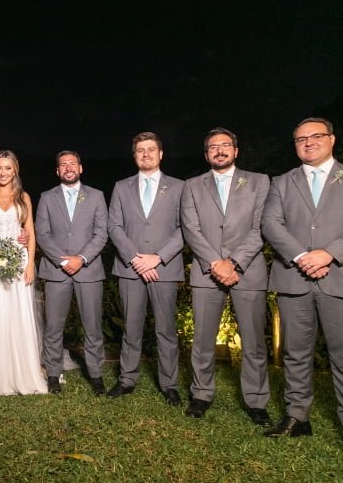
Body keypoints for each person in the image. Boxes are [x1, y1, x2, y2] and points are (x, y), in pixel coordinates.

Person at [262, 118, 343, 461]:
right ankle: (297, 417)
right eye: (301, 139)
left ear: (332, 139)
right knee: (295, 353)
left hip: (342, 278)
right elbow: (270, 223)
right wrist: (301, 256)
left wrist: (329, 253)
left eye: (316, 136)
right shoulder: (282, 182)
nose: (308, 142)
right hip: (294, 279)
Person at [180, 128, 271, 423]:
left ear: (236, 150)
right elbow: (190, 229)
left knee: (254, 341)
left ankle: (256, 401)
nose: (219, 150)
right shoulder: (192, 186)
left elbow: (261, 227)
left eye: (225, 145)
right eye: (213, 147)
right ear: (206, 154)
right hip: (207, 272)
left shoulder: (259, 181)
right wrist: (214, 263)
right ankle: (201, 394)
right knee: (202, 339)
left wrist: (234, 263)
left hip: (248, 271)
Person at [108, 132, 184, 404]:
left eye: (151, 149)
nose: (146, 154)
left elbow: (184, 228)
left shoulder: (179, 187)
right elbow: (114, 226)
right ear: (134, 156)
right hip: (130, 269)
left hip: (164, 268)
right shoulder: (121, 187)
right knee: (131, 327)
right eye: (140, 150)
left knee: (166, 329)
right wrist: (135, 258)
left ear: (160, 154)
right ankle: (127, 379)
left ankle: (169, 384)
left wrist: (158, 258)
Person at [0, 150, 47, 395]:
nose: (3, 173)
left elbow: (30, 233)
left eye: (7, 168)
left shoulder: (23, 197)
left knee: (17, 314)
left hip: (18, 261)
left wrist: (30, 264)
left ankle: (21, 373)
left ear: (15, 170)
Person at [36, 150, 108, 395]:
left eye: (72, 164)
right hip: (57, 271)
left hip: (89, 270)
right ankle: (53, 374)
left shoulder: (96, 196)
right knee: (53, 326)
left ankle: (96, 374)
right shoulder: (47, 197)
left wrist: (82, 258)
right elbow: (42, 234)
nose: (68, 168)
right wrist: (64, 261)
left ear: (80, 168)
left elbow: (101, 233)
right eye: (63, 165)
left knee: (93, 326)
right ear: (58, 171)